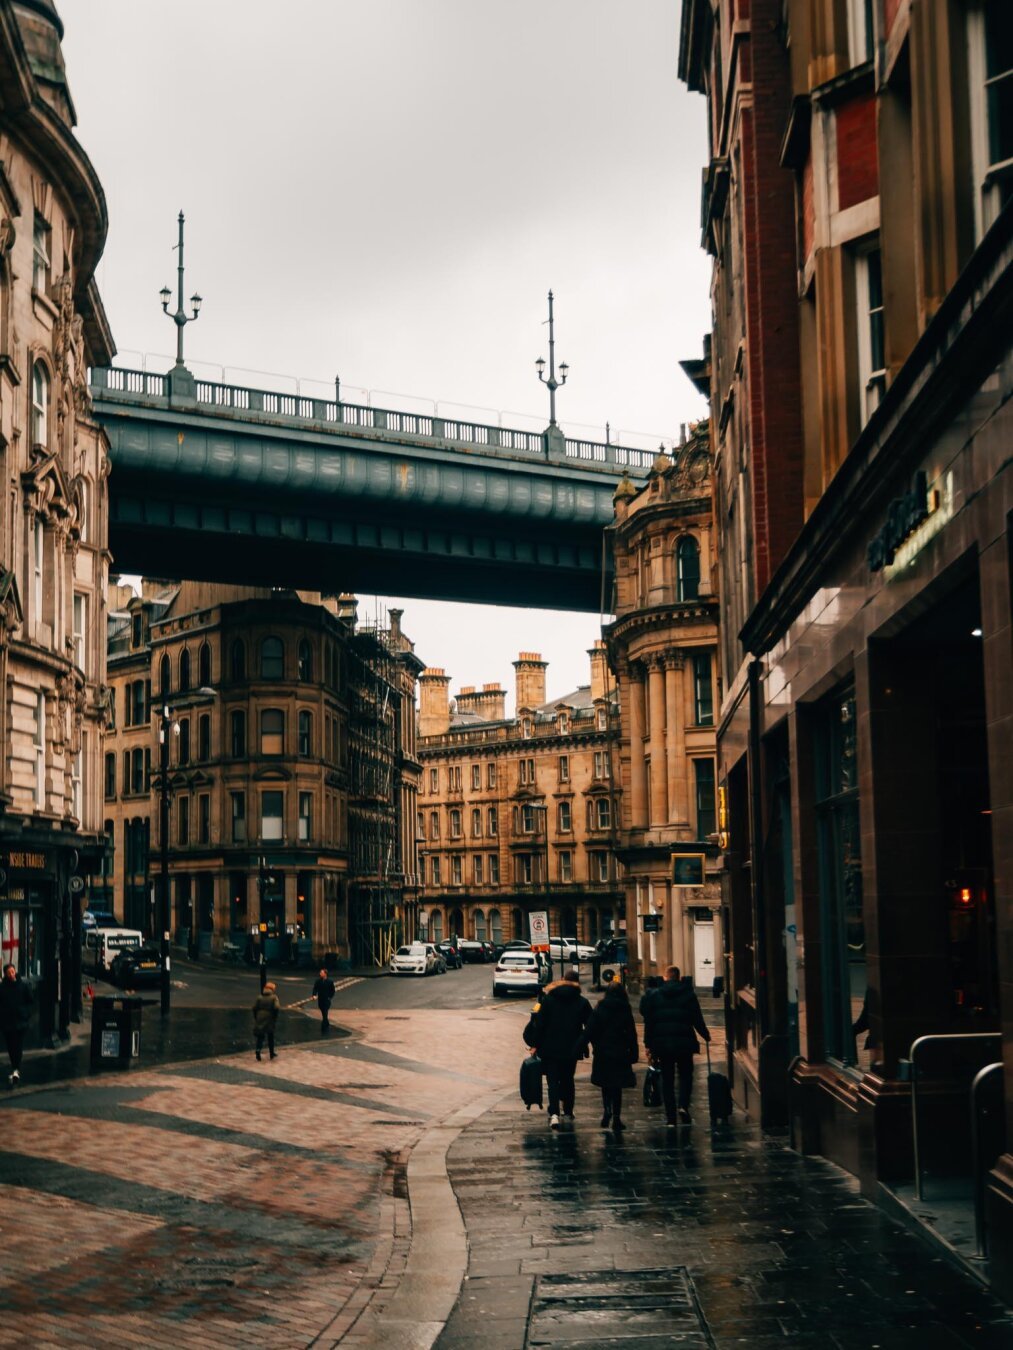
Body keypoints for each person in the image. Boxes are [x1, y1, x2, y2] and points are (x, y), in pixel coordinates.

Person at [641, 965, 710, 1126]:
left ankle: (670, 1116)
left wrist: (648, 1043)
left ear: (665, 977)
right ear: (679, 977)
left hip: (663, 1044)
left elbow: (649, 1020)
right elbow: (697, 1017)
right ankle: (683, 1106)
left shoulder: (655, 995)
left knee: (667, 1079)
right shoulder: (688, 994)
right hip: (684, 1042)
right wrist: (705, 1034)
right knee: (686, 1075)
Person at [523, 968, 592, 1130]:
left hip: (550, 1048)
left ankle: (554, 1114)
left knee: (552, 1081)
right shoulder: (582, 1001)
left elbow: (540, 1025)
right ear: (577, 983)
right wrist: (584, 1043)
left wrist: (535, 1045)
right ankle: (568, 1110)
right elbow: (590, 1026)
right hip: (572, 1048)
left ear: (562, 979)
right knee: (568, 1079)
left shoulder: (548, 999)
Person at [582, 981, 638, 1131]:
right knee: (617, 1086)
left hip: (603, 1052)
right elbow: (632, 1033)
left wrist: (580, 1046)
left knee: (605, 1084)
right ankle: (617, 1118)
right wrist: (634, 1053)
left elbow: (589, 1030)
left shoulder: (600, 1008)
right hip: (620, 1052)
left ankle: (607, 1111)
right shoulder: (625, 1009)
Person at [0, 964, 32, 1087]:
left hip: (20, 1021)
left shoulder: (23, 986)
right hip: (7, 1022)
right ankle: (15, 1067)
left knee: (18, 1045)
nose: (11, 975)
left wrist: (26, 1014)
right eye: (9, 973)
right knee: (10, 1045)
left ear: (15, 972)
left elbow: (30, 1000)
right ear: (6, 975)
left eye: (12, 972)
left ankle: (16, 1068)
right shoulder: (2, 988)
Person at [252, 981, 281, 1061]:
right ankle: (271, 1053)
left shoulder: (260, 997)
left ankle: (258, 1050)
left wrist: (256, 1016)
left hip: (260, 1017)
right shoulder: (274, 997)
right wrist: (275, 1016)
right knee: (270, 1035)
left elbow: (254, 1007)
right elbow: (276, 1007)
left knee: (260, 1035)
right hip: (269, 1017)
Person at [312, 968, 336, 1033]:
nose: (320, 974)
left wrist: (330, 997)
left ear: (325, 974)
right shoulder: (318, 981)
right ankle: (326, 1022)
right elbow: (315, 988)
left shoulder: (330, 982)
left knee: (325, 1011)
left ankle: (324, 1025)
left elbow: (333, 991)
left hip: (327, 999)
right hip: (320, 999)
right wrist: (314, 995)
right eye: (320, 972)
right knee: (323, 1011)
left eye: (321, 973)